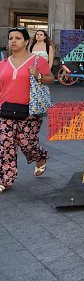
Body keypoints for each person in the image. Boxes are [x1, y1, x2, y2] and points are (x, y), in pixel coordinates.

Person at [0, 27, 55, 193]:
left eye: (17, 38)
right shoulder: (3, 63)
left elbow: (51, 79)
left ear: (26, 42)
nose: (13, 41)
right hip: (6, 110)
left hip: (30, 111)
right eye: (11, 38)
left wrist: (38, 75)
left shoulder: (37, 61)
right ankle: (5, 179)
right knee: (5, 145)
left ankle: (40, 156)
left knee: (26, 142)